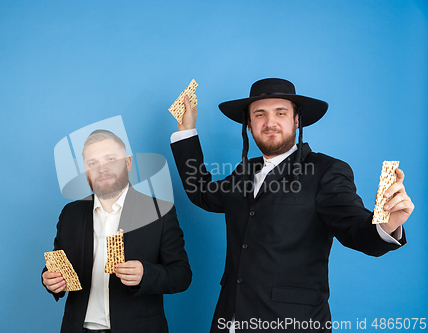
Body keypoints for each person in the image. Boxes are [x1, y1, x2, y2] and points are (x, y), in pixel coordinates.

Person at [170, 78, 414, 333]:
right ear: (250, 125)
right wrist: (186, 131)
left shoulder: (326, 171)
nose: (270, 122)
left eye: (281, 113)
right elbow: (203, 193)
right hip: (230, 320)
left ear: (297, 120)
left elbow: (354, 227)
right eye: (259, 114)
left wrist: (385, 224)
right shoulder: (244, 171)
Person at [43, 129, 192, 333]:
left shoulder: (160, 213)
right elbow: (57, 264)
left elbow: (182, 275)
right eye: (93, 163)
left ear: (128, 162)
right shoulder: (71, 214)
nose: (102, 169)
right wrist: (50, 279)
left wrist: (145, 274)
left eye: (110, 159)